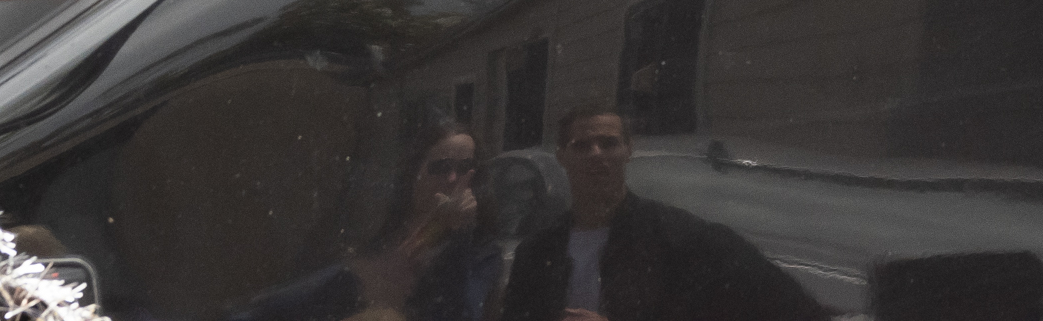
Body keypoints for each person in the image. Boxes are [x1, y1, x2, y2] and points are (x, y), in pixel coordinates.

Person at [492, 109, 815, 321]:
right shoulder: (537, 253)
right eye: (582, 146)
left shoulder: (683, 238)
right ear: (561, 156)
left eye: (608, 143)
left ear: (628, 150)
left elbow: (788, 308)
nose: (596, 155)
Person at [349, 123, 504, 321]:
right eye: (441, 167)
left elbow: (460, 315)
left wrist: (461, 231)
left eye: (465, 168)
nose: (453, 178)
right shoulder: (384, 235)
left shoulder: (481, 252)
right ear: (414, 173)